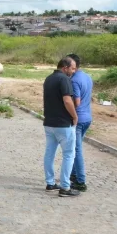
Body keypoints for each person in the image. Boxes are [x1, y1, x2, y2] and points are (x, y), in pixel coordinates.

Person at [43, 57, 80, 197]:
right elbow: (67, 100)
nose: (74, 71)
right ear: (65, 67)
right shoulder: (64, 79)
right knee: (69, 154)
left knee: (49, 153)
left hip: (49, 122)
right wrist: (75, 116)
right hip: (63, 123)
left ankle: (50, 183)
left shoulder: (48, 78)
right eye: (72, 68)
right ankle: (65, 187)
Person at [68, 53, 92, 192]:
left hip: (79, 119)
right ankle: (73, 174)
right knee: (75, 148)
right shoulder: (87, 76)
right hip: (87, 117)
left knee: (76, 150)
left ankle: (81, 181)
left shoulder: (74, 80)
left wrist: (70, 114)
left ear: (73, 66)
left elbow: (76, 102)